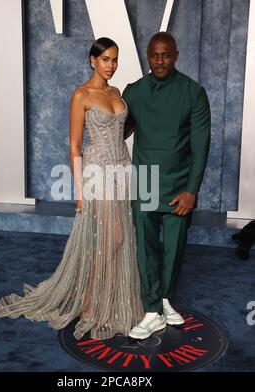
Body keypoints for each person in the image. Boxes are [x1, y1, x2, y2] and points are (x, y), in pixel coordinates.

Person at [0, 37, 144, 341]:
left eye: (115, 60)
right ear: (92, 60)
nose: (111, 66)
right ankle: (90, 303)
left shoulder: (116, 93)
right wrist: (79, 190)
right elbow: (74, 146)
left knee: (121, 236)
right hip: (96, 173)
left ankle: (109, 300)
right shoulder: (81, 95)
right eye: (105, 60)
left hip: (122, 171)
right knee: (103, 237)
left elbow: (123, 129)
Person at [122, 32, 211, 340]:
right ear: (148, 56)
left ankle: (164, 300)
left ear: (176, 55)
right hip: (145, 179)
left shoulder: (193, 92)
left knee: (174, 249)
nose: (159, 61)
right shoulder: (133, 92)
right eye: (154, 55)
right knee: (145, 249)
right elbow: (120, 129)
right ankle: (151, 311)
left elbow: (201, 146)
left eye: (166, 55)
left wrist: (191, 189)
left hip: (178, 184)